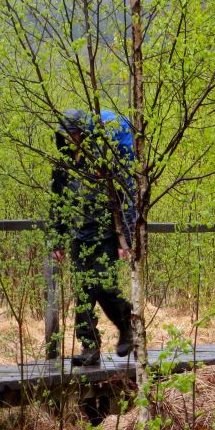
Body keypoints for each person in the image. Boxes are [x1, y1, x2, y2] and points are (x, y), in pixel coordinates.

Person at [50, 109, 135, 366]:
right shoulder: (63, 166)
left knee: (103, 286)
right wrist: (58, 240)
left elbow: (124, 197)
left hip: (104, 233)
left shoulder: (102, 161)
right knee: (83, 293)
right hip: (78, 236)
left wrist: (126, 239)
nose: (71, 138)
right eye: (68, 134)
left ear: (83, 134)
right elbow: (58, 203)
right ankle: (89, 347)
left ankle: (126, 324)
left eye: (75, 133)